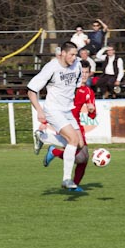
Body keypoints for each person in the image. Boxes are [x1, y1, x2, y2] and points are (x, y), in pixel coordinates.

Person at [33, 60, 96, 192]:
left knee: (83, 158)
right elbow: (55, 104)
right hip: (63, 123)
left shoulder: (89, 92)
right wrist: (44, 122)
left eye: (86, 72)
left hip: (76, 125)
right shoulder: (70, 87)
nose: (84, 75)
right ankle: (50, 146)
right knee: (80, 157)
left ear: (90, 74)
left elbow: (92, 115)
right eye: (82, 72)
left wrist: (91, 110)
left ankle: (55, 153)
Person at [27, 41, 82, 190]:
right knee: (73, 139)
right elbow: (31, 91)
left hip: (67, 110)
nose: (74, 58)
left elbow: (76, 87)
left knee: (79, 145)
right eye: (72, 54)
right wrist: (39, 110)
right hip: (53, 110)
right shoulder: (51, 67)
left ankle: (44, 138)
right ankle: (66, 179)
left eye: (75, 55)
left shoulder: (77, 65)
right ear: (63, 53)